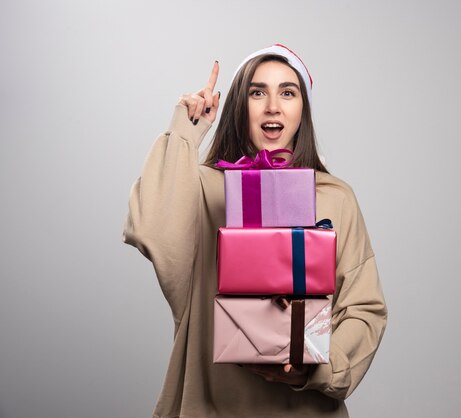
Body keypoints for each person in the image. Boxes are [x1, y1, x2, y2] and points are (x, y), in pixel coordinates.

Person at [123, 44, 387, 417]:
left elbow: (363, 309)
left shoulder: (335, 197)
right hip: (211, 405)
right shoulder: (203, 189)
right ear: (239, 107)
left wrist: (314, 368)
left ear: (302, 110)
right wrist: (186, 131)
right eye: (257, 92)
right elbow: (150, 226)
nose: (273, 106)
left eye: (288, 93)